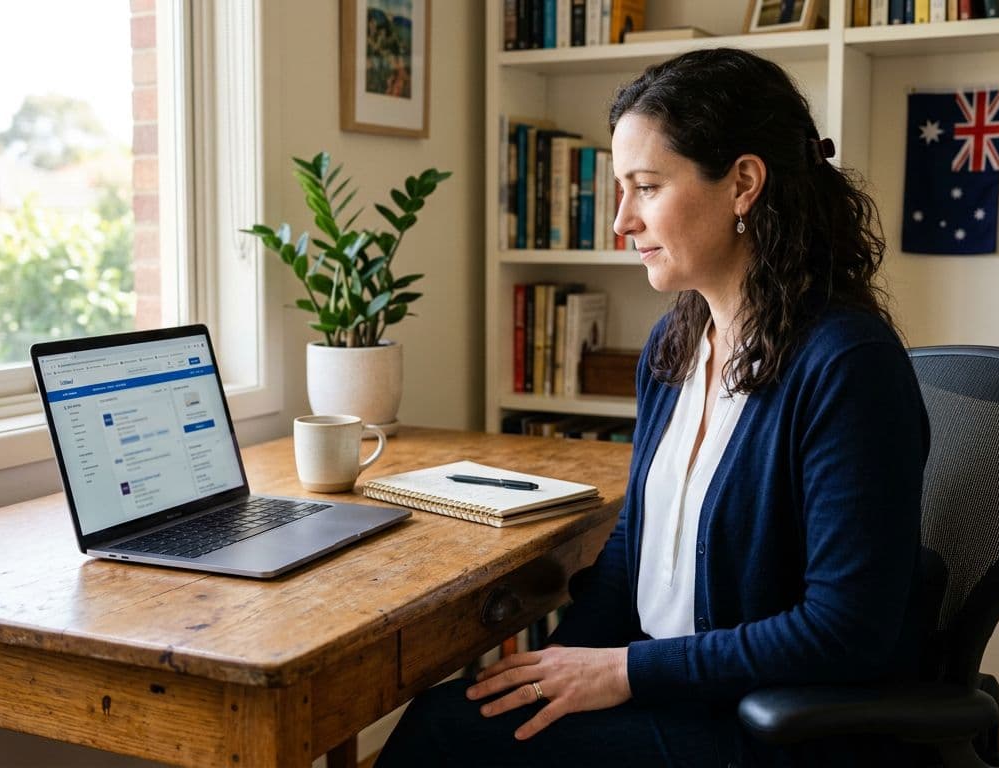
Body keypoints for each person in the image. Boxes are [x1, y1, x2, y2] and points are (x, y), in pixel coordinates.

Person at [376, 47, 933, 767]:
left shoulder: (847, 366)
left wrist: (621, 672)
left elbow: (846, 630)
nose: (621, 222)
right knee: (467, 713)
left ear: (743, 184)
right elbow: (630, 555)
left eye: (645, 187)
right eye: (620, 190)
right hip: (677, 691)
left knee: (448, 733)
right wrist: (558, 673)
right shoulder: (677, 342)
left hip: (764, 726)